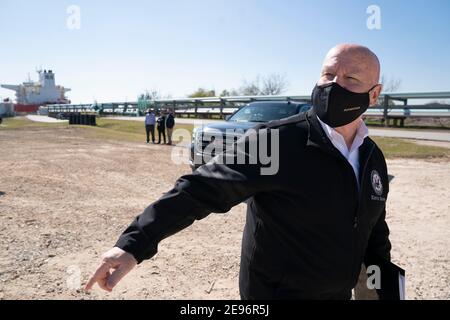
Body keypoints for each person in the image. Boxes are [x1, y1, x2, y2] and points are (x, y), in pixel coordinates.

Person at [86, 44, 391, 300]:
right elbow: (199, 190)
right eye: (327, 74)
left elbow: (373, 232)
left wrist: (385, 292)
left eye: (350, 78)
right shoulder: (275, 141)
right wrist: (134, 244)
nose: (333, 86)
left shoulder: (372, 158)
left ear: (373, 95)